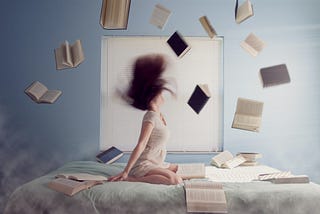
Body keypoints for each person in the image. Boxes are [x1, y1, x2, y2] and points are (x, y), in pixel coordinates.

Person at [108, 54, 183, 185]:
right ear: (154, 95)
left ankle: (140, 174)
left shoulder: (158, 115)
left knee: (180, 170)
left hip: (156, 163)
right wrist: (126, 171)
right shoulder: (150, 117)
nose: (163, 95)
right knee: (175, 180)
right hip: (144, 165)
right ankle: (132, 179)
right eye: (161, 92)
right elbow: (141, 144)